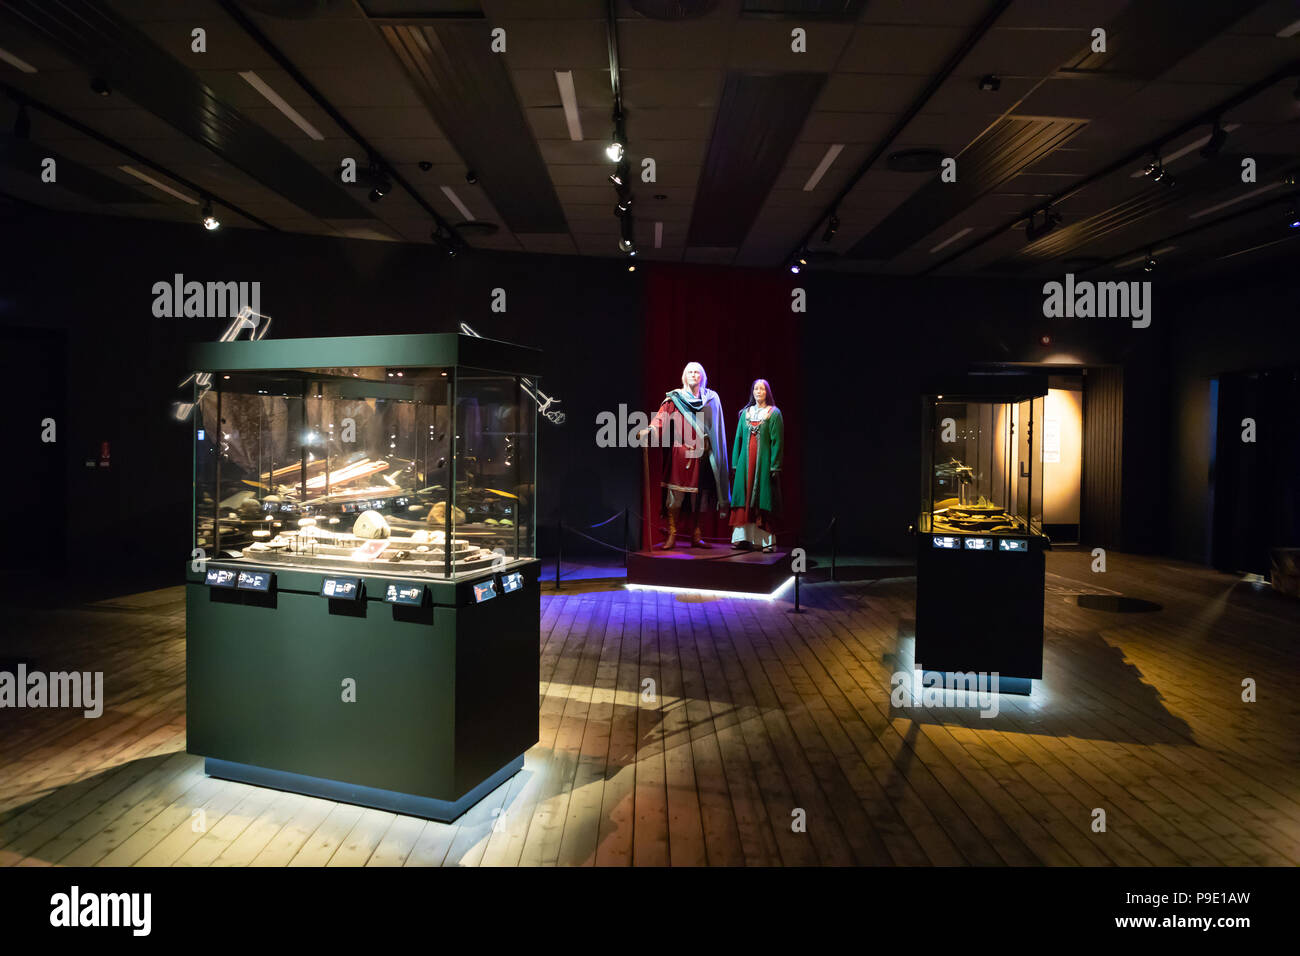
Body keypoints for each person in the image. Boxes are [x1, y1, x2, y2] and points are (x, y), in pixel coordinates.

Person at [639, 362, 728, 549]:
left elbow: (717, 429)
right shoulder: (674, 398)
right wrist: (650, 430)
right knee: (675, 495)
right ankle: (672, 534)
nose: (694, 375)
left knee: (701, 497)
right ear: (684, 376)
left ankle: (697, 534)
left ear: (702, 376)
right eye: (690, 372)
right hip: (680, 453)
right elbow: (660, 418)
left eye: (697, 372)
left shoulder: (712, 398)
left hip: (703, 455)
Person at [729, 378, 782, 551]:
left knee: (762, 499)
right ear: (752, 392)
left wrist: (775, 465)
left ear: (767, 392)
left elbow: (777, 442)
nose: (759, 392)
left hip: (763, 464)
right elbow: (738, 438)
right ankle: (742, 538)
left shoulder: (773, 413)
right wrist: (735, 462)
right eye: (756, 389)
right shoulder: (745, 413)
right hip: (745, 465)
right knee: (743, 498)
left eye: (762, 389)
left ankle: (766, 542)